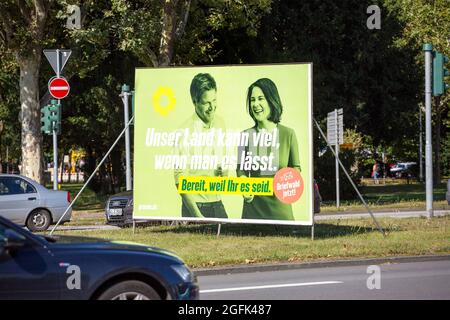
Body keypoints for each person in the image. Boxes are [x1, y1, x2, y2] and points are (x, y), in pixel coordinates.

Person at [236, 78, 301, 220]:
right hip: (252, 212)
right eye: (252, 100)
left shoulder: (287, 134)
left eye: (260, 98)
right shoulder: (245, 135)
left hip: (281, 212)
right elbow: (240, 170)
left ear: (271, 100)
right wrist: (243, 187)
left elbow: (296, 169)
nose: (255, 104)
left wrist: (283, 184)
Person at [174, 73, 228, 218]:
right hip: (196, 207)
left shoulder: (220, 123)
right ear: (194, 102)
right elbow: (180, 181)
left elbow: (224, 173)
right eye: (206, 103)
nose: (212, 107)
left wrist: (223, 171)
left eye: (214, 100)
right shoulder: (184, 131)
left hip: (217, 202)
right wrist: (198, 217)